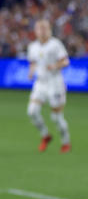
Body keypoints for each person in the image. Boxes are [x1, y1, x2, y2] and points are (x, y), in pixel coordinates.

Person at [27, 19, 71, 153]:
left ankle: (65, 142)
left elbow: (65, 62)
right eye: (39, 29)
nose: (41, 31)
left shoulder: (55, 44)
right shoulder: (33, 46)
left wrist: (55, 66)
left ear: (49, 30)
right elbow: (33, 62)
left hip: (55, 82)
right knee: (32, 111)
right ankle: (46, 135)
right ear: (35, 31)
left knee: (56, 117)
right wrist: (31, 71)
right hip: (40, 83)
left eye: (44, 28)